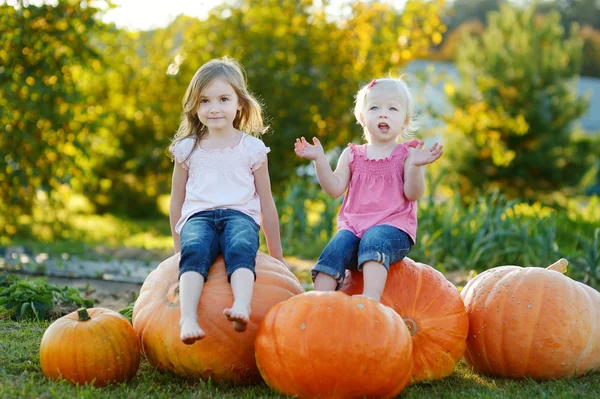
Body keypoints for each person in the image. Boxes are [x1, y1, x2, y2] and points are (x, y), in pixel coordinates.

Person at [294, 77, 443, 302]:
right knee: (336, 246)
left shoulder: (406, 155)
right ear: (362, 117)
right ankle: (317, 302)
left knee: (375, 237)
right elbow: (334, 188)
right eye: (375, 107)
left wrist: (415, 167)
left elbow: (413, 194)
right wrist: (319, 160)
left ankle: (370, 300)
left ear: (404, 121)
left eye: (392, 108)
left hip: (394, 231)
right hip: (354, 230)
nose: (383, 114)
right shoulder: (352, 155)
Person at [169, 57, 284, 344]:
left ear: (239, 104)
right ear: (195, 106)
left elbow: (267, 204)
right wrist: (176, 248)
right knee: (194, 249)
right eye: (205, 101)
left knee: (241, 246)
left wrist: (277, 256)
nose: (214, 108)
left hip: (239, 216)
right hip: (199, 217)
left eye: (223, 99)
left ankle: (242, 305)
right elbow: (176, 200)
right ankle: (188, 318)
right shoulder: (187, 149)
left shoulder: (252, 149)